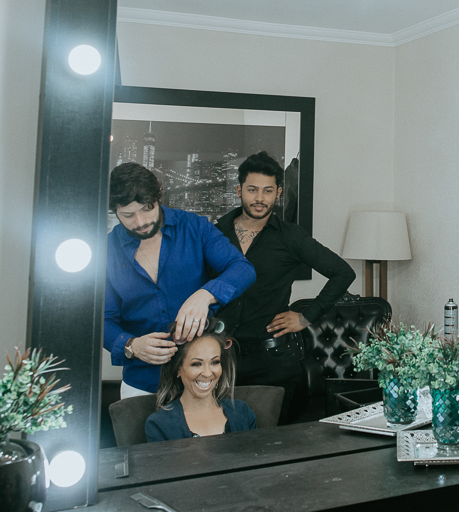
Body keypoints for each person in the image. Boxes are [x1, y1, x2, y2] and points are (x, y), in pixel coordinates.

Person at [214, 151, 356, 423]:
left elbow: (342, 272)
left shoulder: (291, 237)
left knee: (273, 447)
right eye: (252, 189)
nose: (259, 198)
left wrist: (306, 317)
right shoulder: (215, 233)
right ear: (239, 190)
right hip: (220, 359)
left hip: (274, 361)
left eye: (268, 191)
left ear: (278, 192)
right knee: (221, 443)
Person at [104, 162, 256, 398]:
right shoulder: (107, 250)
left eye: (147, 208)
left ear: (159, 197)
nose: (141, 221)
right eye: (128, 215)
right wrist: (131, 345)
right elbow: (103, 319)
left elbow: (242, 269)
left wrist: (205, 295)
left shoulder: (195, 227)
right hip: (141, 382)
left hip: (200, 379)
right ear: (115, 211)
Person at [145, 320, 257, 442]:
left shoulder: (242, 412)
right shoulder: (159, 424)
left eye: (215, 362)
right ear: (178, 369)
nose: (208, 373)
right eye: (196, 364)